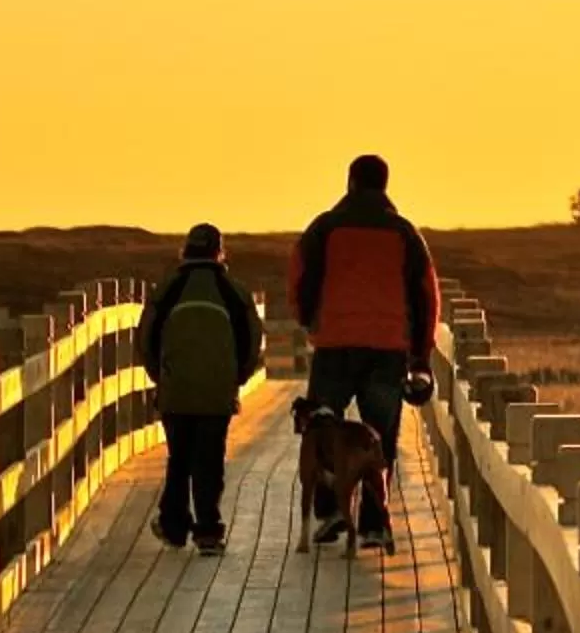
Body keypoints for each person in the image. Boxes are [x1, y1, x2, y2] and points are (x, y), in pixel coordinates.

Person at [290, 154, 439, 550]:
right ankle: (375, 525)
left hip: (335, 344)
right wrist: (421, 354)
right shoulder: (404, 233)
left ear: (351, 182)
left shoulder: (325, 227)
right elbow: (426, 295)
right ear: (385, 185)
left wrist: (309, 321)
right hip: (387, 348)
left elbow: (301, 276)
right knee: (379, 439)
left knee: (321, 430)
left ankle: (332, 511)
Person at [140, 222, 262, 553]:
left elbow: (146, 339)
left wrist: (160, 377)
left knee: (179, 457)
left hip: (176, 390)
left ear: (186, 250)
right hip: (216, 392)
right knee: (209, 458)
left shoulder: (168, 289)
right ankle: (208, 531)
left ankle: (175, 526)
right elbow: (252, 340)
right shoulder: (233, 291)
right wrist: (236, 378)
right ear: (219, 252)